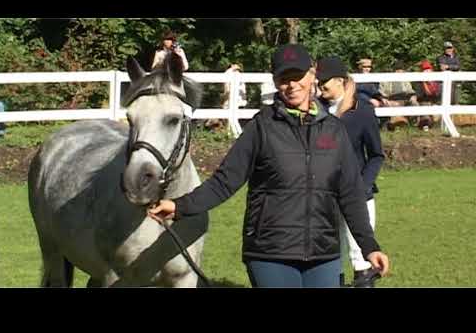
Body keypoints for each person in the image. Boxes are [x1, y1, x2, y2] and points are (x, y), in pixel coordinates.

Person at [147, 44, 390, 288]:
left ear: (312, 74)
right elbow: (225, 181)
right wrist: (180, 206)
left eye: (297, 76)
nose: (292, 85)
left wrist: (369, 246)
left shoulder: (334, 130)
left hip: (323, 253)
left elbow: (351, 193)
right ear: (275, 81)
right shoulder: (261, 127)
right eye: (284, 78)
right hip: (270, 253)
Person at [316, 56, 385, 287]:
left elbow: (376, 155)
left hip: (358, 194)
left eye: (323, 84)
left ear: (339, 81)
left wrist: (362, 185)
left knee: (361, 256)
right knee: (330, 254)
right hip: (324, 193)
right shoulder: (316, 110)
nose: (319, 88)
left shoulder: (362, 111)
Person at [379, 60, 419, 130]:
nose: (400, 72)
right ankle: (389, 124)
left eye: (401, 70)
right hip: (391, 100)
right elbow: (381, 92)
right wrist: (385, 100)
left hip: (404, 100)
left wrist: (413, 96)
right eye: (398, 70)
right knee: (387, 106)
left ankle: (413, 123)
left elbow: (410, 91)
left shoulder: (405, 80)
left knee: (414, 103)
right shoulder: (386, 80)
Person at [413, 60, 442, 131]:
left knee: (437, 113)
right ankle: (424, 126)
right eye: (425, 70)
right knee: (425, 112)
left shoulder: (436, 81)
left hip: (434, 101)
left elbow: (439, 94)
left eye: (428, 69)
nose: (427, 71)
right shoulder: (419, 82)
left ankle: (434, 125)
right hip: (423, 101)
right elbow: (419, 95)